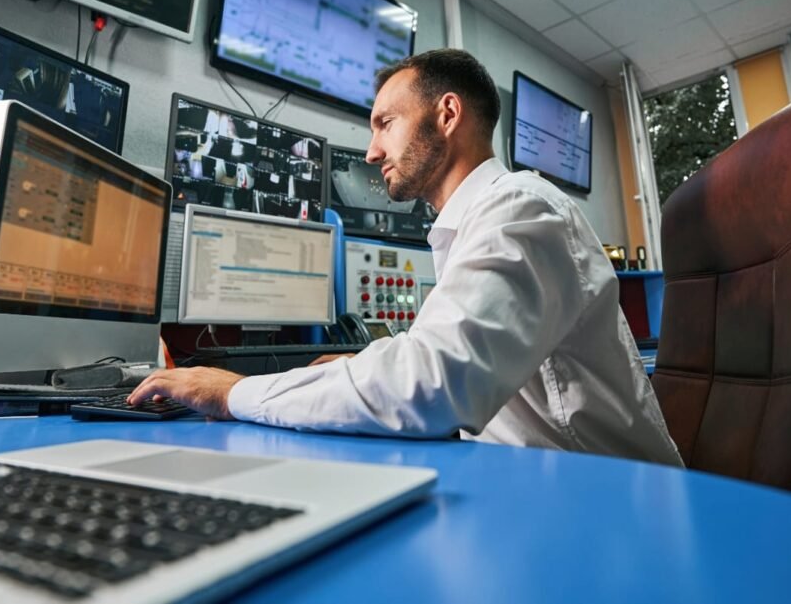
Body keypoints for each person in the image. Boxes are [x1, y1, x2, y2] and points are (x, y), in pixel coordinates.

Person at [130, 49, 682, 465]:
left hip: (604, 513)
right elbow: (444, 355)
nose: (372, 152)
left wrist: (235, 393)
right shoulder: (482, 222)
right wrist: (366, 363)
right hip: (546, 491)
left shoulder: (521, 208)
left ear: (446, 115)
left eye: (384, 124)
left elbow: (434, 383)